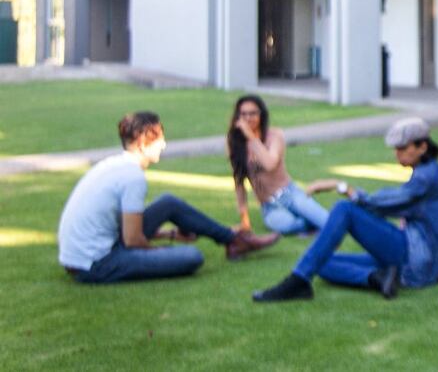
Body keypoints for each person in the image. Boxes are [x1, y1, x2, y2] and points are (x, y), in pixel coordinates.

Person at [252, 117, 438, 302]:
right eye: (396, 148)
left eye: (402, 148)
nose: (397, 154)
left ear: (422, 147)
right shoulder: (433, 170)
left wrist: (342, 187)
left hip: (419, 260)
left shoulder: (426, 178)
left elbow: (381, 203)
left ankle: (297, 281)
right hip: (426, 258)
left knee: (345, 209)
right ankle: (377, 278)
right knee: (321, 262)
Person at [57, 111, 281, 284]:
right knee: (191, 256)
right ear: (143, 142)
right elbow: (132, 239)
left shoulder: (114, 164)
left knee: (168, 203)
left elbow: (126, 228)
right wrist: (160, 251)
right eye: (160, 140)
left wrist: (170, 234)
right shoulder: (132, 177)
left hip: (81, 257)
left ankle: (233, 240)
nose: (164, 145)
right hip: (95, 264)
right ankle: (236, 241)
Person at [227, 94, 329, 235]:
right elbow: (239, 183)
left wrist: (251, 137)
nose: (248, 118)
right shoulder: (235, 142)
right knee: (288, 226)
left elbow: (270, 164)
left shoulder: (274, 135)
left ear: (261, 114)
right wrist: (245, 220)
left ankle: (317, 220)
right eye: (243, 114)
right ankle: (309, 224)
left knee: (327, 221)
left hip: (291, 194)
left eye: (253, 113)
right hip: (269, 206)